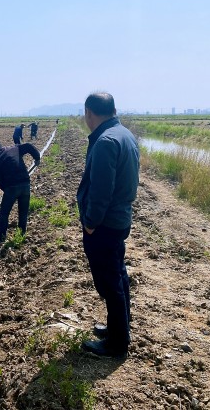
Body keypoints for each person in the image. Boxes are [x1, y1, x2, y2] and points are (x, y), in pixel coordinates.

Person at [76, 92, 139, 358]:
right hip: (119, 219)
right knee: (118, 276)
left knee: (110, 282)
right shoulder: (124, 134)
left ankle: (116, 345)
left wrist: (91, 223)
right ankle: (119, 328)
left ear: (89, 113)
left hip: (104, 224)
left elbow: (101, 190)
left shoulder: (105, 141)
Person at [0, 138, 41, 243]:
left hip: (11, 188)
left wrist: (8, 190)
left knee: (4, 213)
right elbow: (29, 146)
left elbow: (0, 181)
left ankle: (1, 238)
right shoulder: (14, 148)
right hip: (25, 184)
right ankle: (21, 234)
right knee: (23, 212)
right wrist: (37, 157)